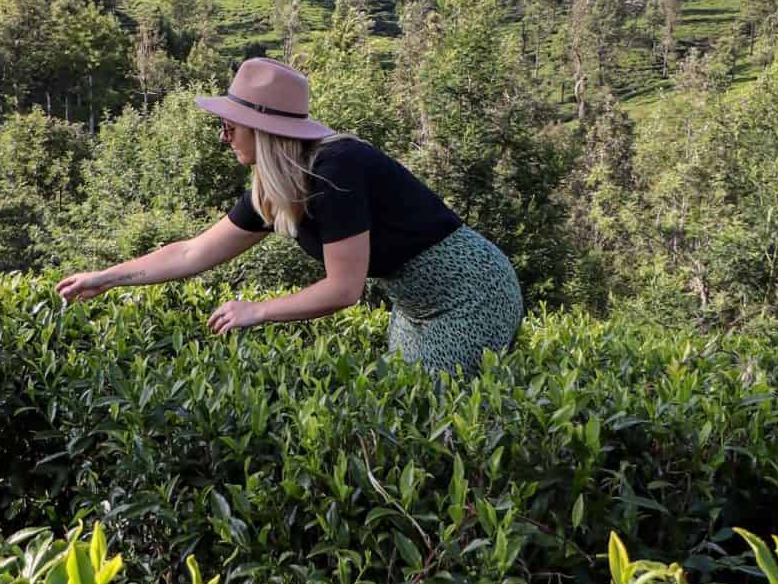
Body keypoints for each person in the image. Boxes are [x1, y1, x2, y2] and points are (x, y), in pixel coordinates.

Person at [56, 57, 524, 377]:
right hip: (415, 305)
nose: (224, 138)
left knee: (430, 419)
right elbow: (192, 251)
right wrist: (107, 277)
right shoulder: (275, 190)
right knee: (397, 402)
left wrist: (256, 312)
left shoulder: (336, 170)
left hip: (472, 293)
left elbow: (344, 290)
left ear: (263, 131)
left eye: (229, 126)